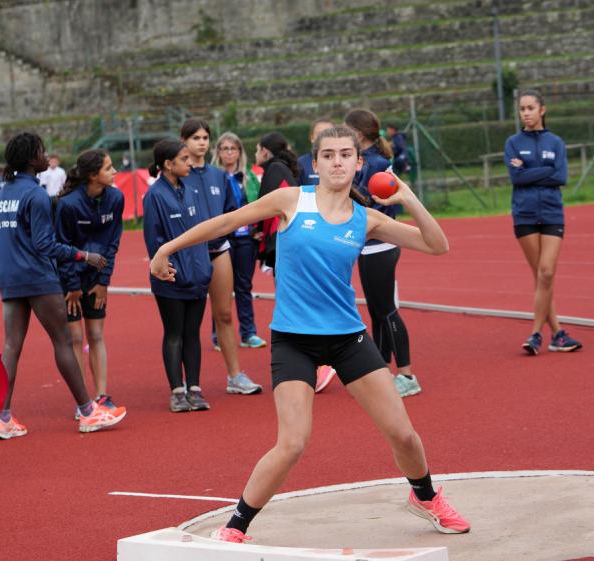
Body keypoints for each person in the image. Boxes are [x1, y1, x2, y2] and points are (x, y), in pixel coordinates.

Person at [150, 125, 470, 542]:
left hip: (347, 337)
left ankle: (425, 497)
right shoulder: (291, 201)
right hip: (293, 339)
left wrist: (407, 197)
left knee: (403, 433)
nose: (337, 161)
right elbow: (226, 222)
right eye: (328, 154)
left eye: (345, 155)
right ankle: (236, 527)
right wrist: (165, 249)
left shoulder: (366, 218)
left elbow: (437, 245)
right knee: (292, 443)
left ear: (359, 163)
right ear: (315, 163)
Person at [0, 132, 126, 438]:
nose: (46, 155)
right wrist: (85, 255)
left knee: (11, 347)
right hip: (39, 278)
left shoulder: (3, 194)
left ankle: (3, 418)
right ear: (31, 159)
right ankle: (88, 411)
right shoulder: (36, 194)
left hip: (9, 279)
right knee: (64, 342)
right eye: (41, 151)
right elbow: (45, 244)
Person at [342, 108, 421, 399]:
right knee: (377, 312)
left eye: (346, 129)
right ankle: (383, 370)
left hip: (381, 245)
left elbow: (368, 202)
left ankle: (408, 375)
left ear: (358, 134)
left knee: (387, 311)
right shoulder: (372, 160)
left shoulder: (374, 163)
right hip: (370, 245)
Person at [181, 119, 262, 396]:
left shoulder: (219, 176)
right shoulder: (178, 174)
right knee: (187, 321)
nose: (201, 142)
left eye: (205, 137)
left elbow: (230, 214)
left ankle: (235, 376)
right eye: (195, 138)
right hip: (189, 255)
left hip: (218, 251)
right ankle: (187, 382)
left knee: (224, 314)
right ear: (185, 142)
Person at [504, 89, 582, 355]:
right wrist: (543, 172)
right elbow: (518, 178)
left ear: (542, 110)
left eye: (530, 108)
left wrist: (529, 171)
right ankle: (557, 334)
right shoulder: (513, 143)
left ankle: (538, 333)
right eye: (522, 109)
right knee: (541, 277)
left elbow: (560, 176)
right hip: (524, 214)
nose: (525, 113)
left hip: (551, 213)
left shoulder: (556, 142)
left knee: (546, 273)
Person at [143, 139, 212, 412]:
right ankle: (176, 391)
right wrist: (167, 271)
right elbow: (153, 241)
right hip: (171, 280)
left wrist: (205, 266)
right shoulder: (155, 196)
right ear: (168, 165)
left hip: (198, 276)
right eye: (184, 159)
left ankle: (194, 387)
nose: (190, 163)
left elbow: (203, 230)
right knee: (174, 334)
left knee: (193, 333)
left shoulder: (191, 189)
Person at [54, 149, 125, 411]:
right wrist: (72, 286)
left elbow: (112, 243)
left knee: (96, 334)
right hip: (69, 279)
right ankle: (82, 401)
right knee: (74, 336)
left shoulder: (116, 198)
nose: (115, 171)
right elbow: (62, 248)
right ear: (93, 176)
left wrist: (104, 281)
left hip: (97, 279)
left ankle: (102, 395)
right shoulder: (68, 205)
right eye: (109, 168)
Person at [209, 132, 266, 349]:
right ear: (219, 153)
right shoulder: (213, 177)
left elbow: (259, 204)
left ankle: (248, 333)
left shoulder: (249, 177)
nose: (229, 153)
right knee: (219, 289)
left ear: (239, 152)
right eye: (225, 149)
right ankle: (218, 336)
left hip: (245, 239)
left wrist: (257, 229)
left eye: (234, 149)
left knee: (244, 286)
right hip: (222, 239)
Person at [254, 132, 301, 270]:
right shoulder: (283, 168)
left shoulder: (275, 168)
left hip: (284, 238)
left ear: (264, 152)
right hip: (287, 236)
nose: (255, 155)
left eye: (257, 150)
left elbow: (263, 205)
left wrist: (257, 230)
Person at [297, 118, 334, 186]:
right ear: (312, 138)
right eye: (320, 134)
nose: (324, 137)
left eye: (329, 134)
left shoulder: (343, 162)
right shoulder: (301, 163)